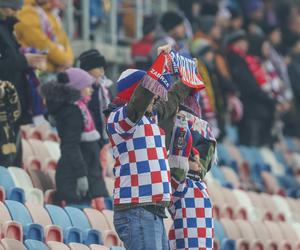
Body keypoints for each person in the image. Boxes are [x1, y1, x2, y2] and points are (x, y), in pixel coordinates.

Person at [106, 45, 197, 250]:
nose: (156, 96)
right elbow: (143, 96)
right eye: (153, 92)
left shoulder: (150, 117)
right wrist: (159, 67)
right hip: (137, 209)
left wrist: (187, 80)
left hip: (151, 211)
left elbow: (171, 99)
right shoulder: (120, 119)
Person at [41, 68, 109, 207]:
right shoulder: (73, 112)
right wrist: (81, 175)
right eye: (87, 87)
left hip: (84, 175)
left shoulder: (81, 109)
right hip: (74, 179)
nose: (90, 90)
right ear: (77, 88)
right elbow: (69, 146)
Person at [0, 0, 45, 166]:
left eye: (17, 9)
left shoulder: (8, 30)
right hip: (3, 112)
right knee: (5, 163)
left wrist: (27, 61)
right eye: (11, 8)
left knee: (13, 163)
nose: (15, 13)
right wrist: (23, 60)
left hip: (11, 111)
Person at [168, 110, 216, 250]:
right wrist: (182, 124)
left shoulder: (200, 186)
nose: (197, 163)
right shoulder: (180, 184)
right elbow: (178, 155)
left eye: (197, 159)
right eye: (193, 158)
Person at [226, 30, 277, 146]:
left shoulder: (250, 60)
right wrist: (269, 99)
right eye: (242, 42)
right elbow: (249, 85)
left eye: (246, 42)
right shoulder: (235, 58)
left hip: (260, 111)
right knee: (251, 146)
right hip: (251, 111)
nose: (245, 45)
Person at [15, 0, 73, 72]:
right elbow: (41, 44)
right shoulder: (26, 11)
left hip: (53, 67)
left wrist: (68, 59)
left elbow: (64, 40)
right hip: (36, 71)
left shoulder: (46, 11)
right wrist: (65, 60)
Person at [0, 81, 20, 167]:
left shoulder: (8, 87)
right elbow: (16, 113)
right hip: (6, 132)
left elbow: (16, 113)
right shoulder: (8, 86)